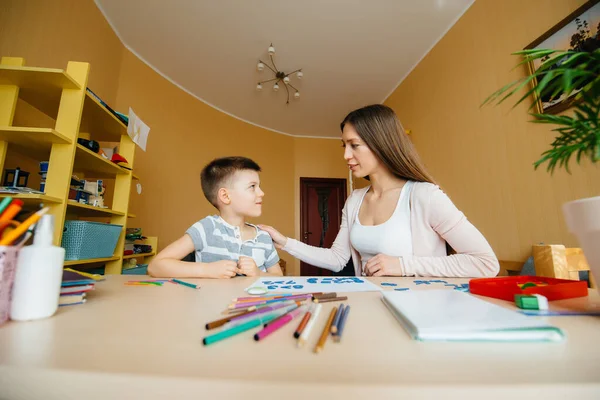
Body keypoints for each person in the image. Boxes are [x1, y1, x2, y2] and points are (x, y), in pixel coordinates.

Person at [260, 104, 499, 277]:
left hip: (421, 311)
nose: (345, 155)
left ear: (380, 144)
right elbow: (336, 259)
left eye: (354, 145)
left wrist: (403, 265)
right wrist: (284, 242)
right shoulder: (354, 201)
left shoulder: (425, 196)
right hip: (370, 307)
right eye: (344, 146)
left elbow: (485, 263)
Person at [149, 156, 283, 278]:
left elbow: (279, 277)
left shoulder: (263, 237)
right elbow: (156, 266)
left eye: (259, 186)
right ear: (225, 196)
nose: (262, 193)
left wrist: (259, 274)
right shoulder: (206, 228)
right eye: (252, 187)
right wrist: (207, 270)